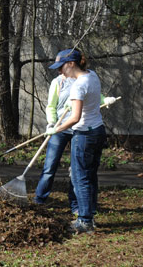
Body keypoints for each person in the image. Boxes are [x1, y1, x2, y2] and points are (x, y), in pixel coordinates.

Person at [34, 48, 115, 212]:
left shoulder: (82, 80)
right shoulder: (58, 82)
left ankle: (77, 206)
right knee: (50, 166)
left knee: (77, 171)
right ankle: (40, 199)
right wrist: (51, 124)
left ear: (71, 64)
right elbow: (51, 106)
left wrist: (104, 99)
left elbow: (92, 95)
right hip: (60, 128)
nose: (58, 70)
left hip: (77, 128)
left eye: (61, 66)